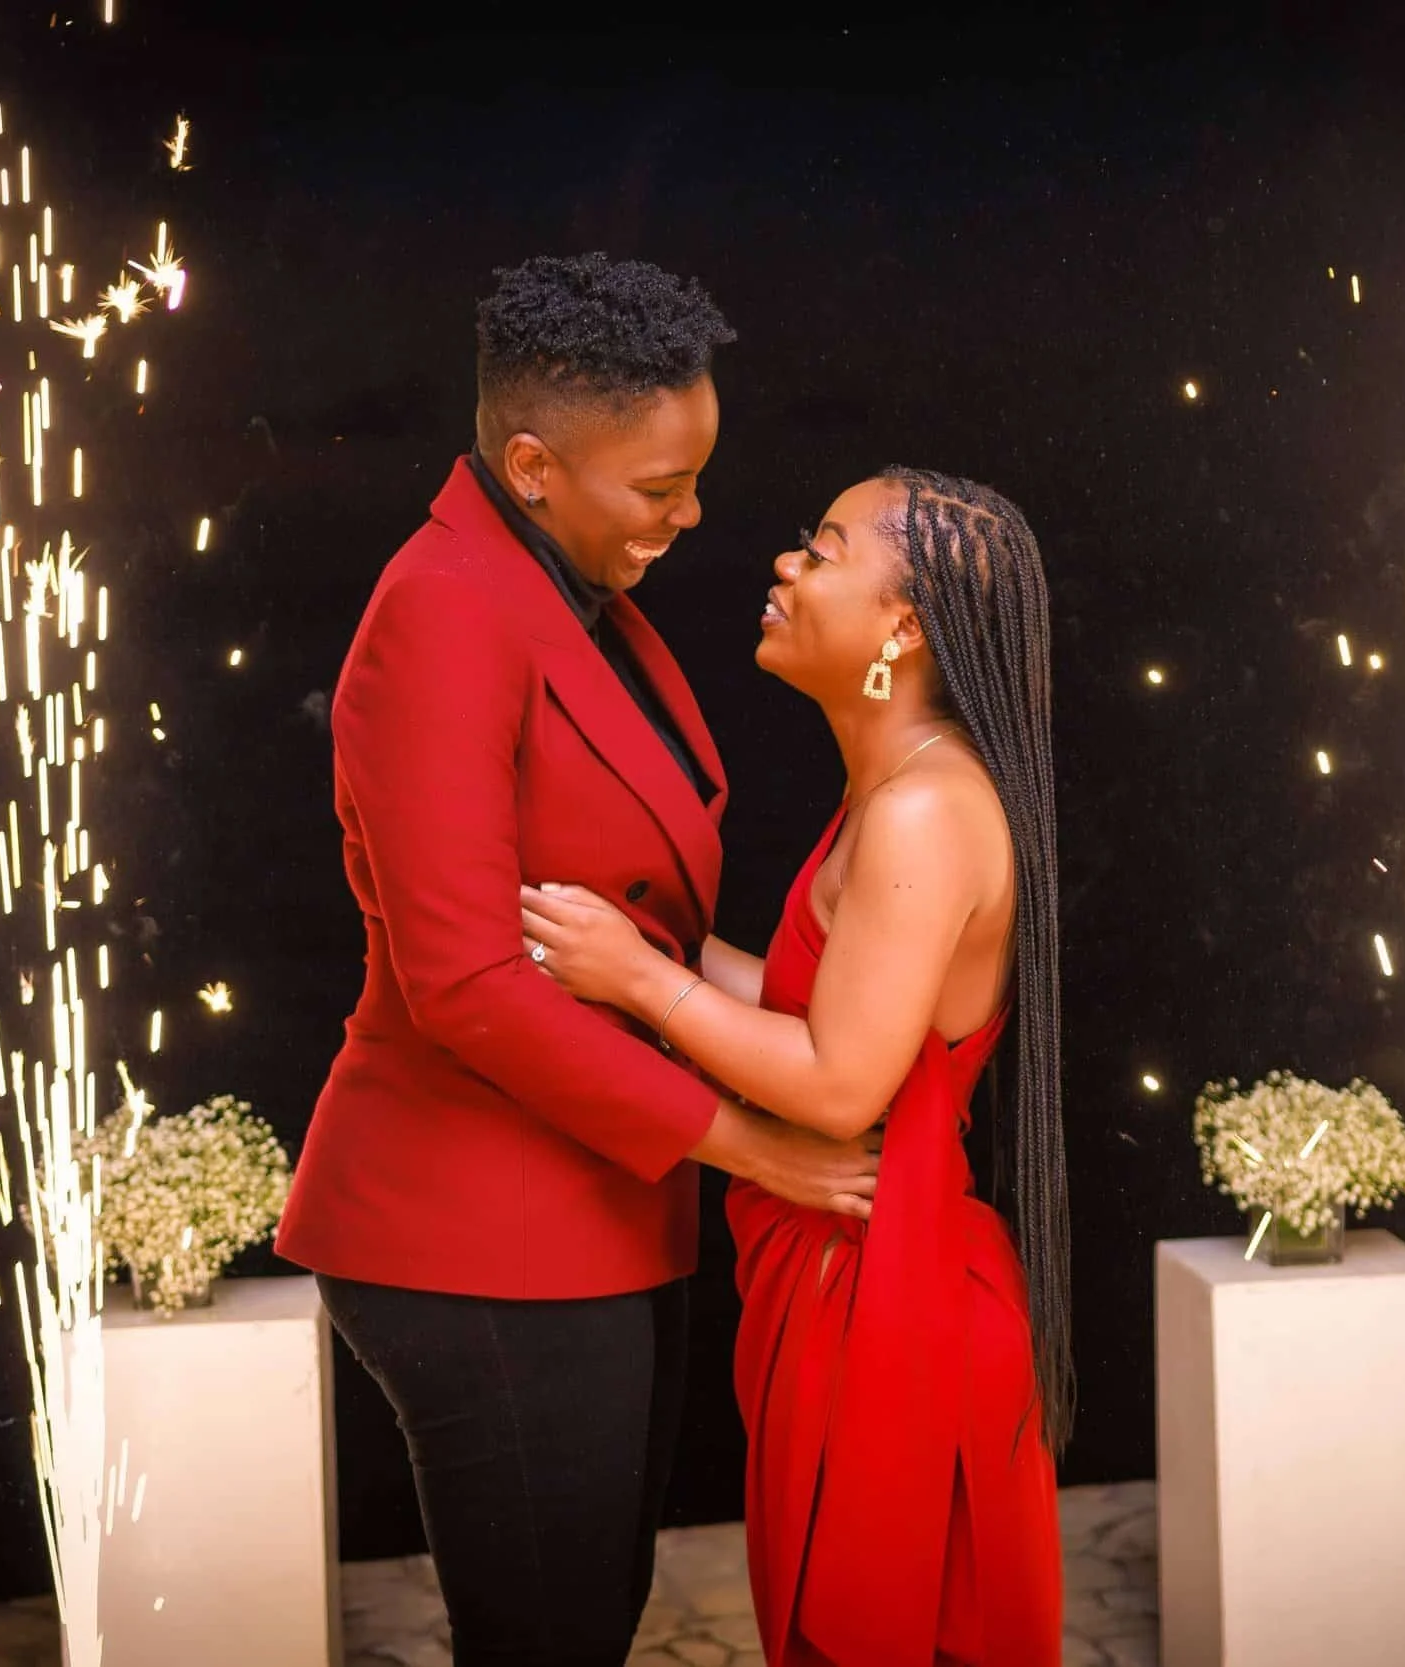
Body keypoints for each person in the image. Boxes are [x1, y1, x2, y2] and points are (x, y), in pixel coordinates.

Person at [275, 254, 882, 1667]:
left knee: (583, 1624)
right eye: (659, 489)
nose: (691, 515)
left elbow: (642, 927)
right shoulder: (445, 606)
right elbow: (470, 984)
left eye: (694, 478)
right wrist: (756, 1144)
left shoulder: (552, 587)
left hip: (593, 1205)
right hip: (475, 1226)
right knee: (547, 1637)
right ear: (535, 463)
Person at [521, 467, 1070, 1666]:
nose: (785, 566)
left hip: (894, 1303)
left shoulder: (925, 809)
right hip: (852, 1281)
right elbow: (801, 999)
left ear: (904, 623)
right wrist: (637, 936)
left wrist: (637, 977)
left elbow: (836, 1083)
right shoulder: (892, 788)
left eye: (821, 550)